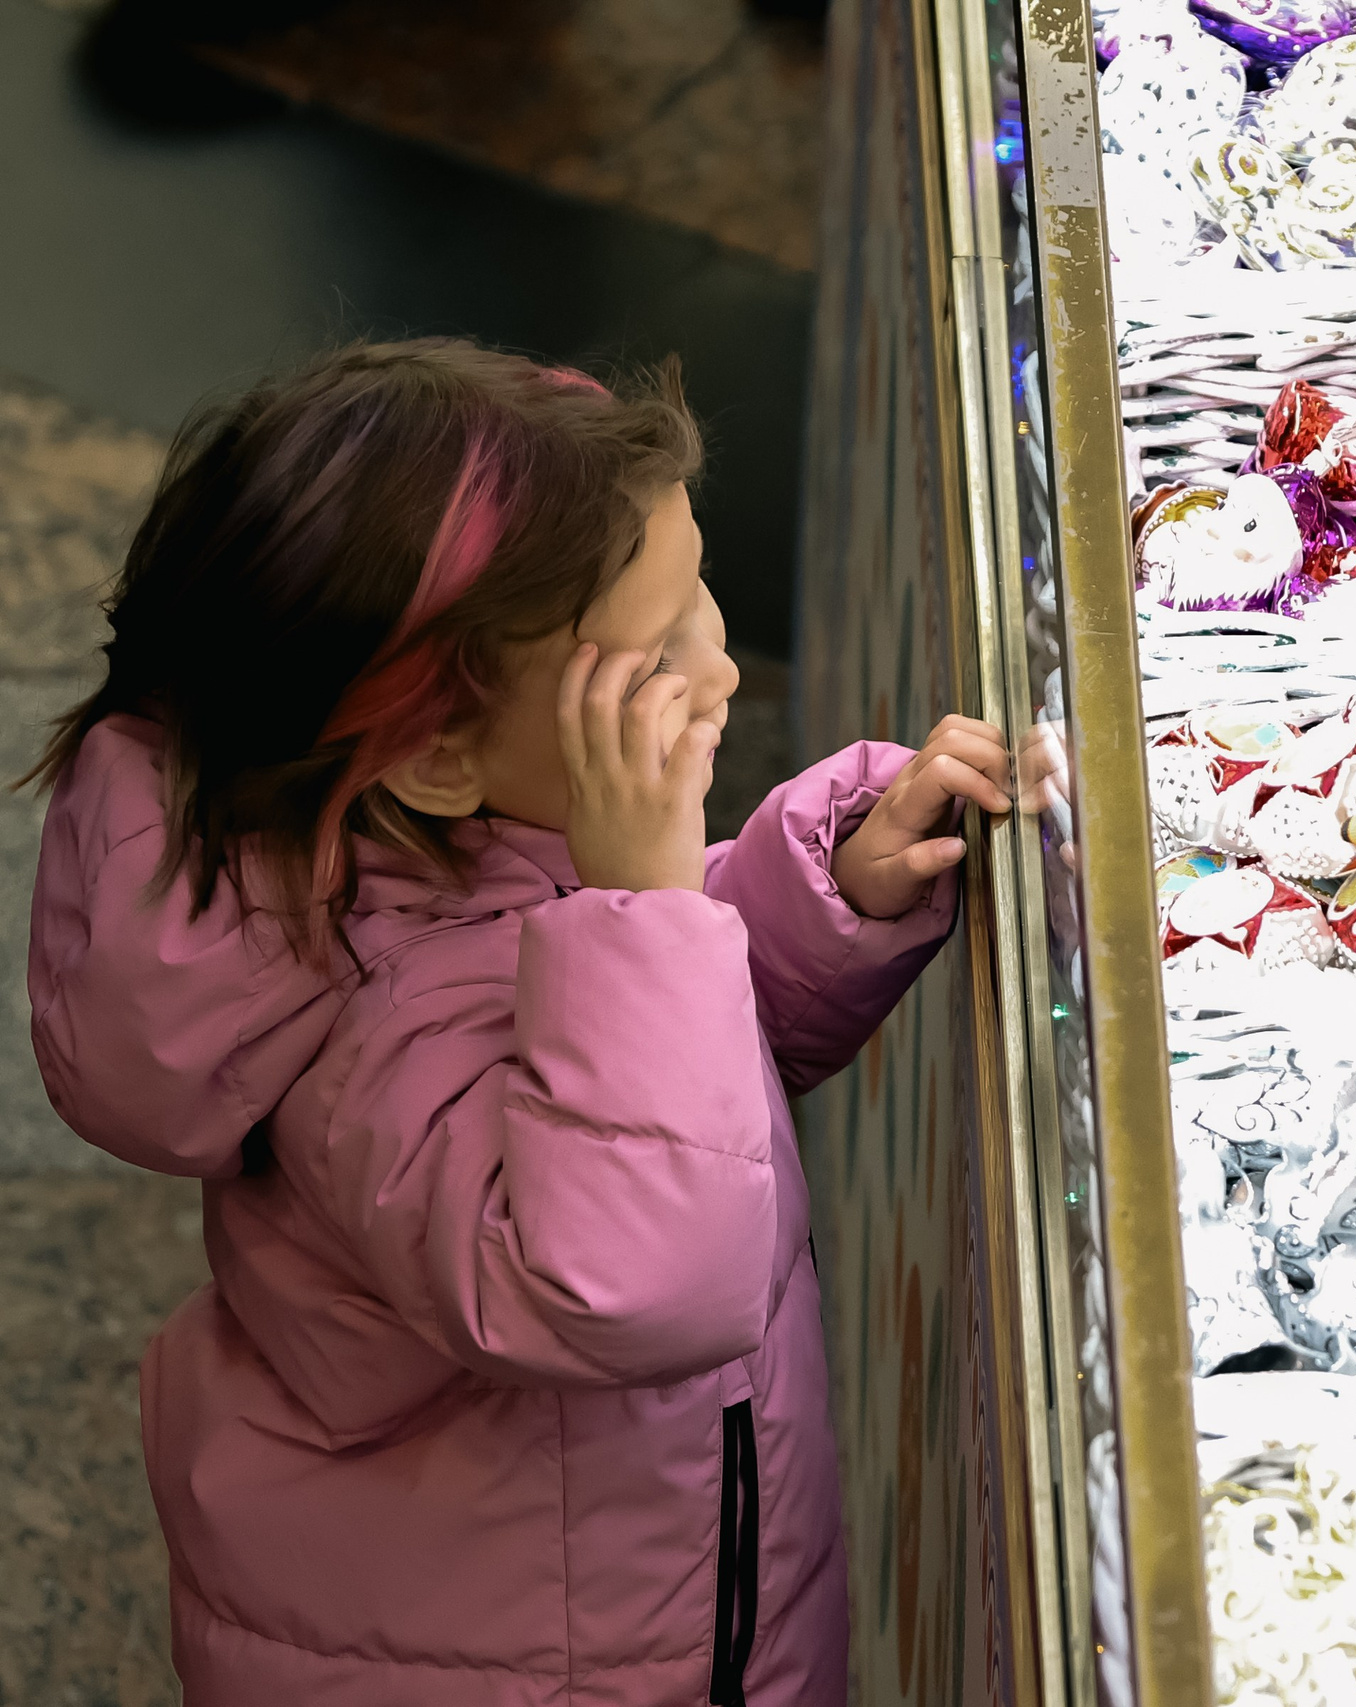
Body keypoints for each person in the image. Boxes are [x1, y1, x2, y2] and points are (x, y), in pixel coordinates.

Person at [20, 339, 1007, 1704]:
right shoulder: (374, 1038)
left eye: (700, 586)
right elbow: (641, 1269)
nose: (719, 664)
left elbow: (639, 1084)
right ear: (435, 755)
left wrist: (816, 890)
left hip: (642, 1604)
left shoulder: (451, 856)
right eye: (654, 656)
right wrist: (651, 903)